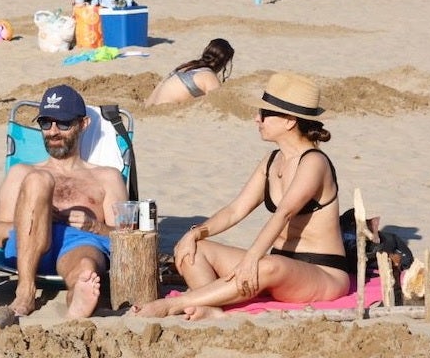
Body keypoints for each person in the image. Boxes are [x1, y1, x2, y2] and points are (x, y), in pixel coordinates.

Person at [133, 72, 350, 319]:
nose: (257, 118)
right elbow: (235, 210)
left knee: (267, 265)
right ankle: (212, 310)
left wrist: (252, 259)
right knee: (192, 251)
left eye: (265, 114)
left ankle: (174, 304)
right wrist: (196, 232)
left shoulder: (314, 162)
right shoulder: (271, 160)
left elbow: (284, 213)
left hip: (322, 272)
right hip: (278, 266)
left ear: (289, 121)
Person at [0, 84, 128, 318]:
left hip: (80, 242)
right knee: (38, 181)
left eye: (63, 123)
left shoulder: (107, 176)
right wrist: (34, 220)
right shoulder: (22, 173)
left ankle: (78, 301)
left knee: (85, 268)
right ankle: (25, 290)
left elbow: (125, 237)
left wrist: (94, 226)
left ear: (83, 124)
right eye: (46, 123)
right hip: (28, 248)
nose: (53, 131)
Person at [145, 38, 235, 106]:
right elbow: (218, 103)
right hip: (164, 112)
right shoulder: (209, 77)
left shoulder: (187, 66)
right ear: (224, 62)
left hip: (150, 106)